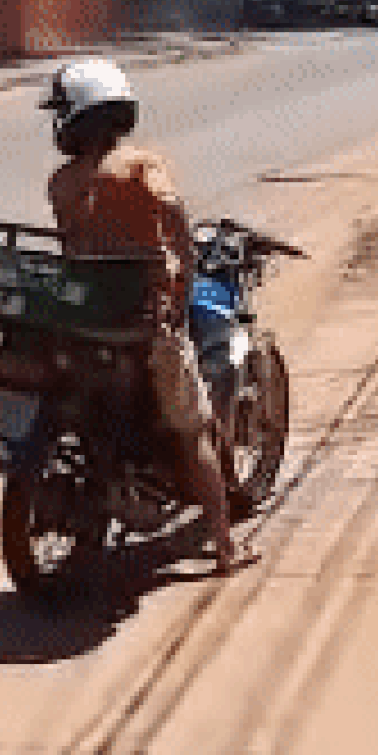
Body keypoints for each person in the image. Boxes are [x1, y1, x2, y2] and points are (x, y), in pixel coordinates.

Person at [43, 57, 252, 578]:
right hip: (142, 324)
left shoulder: (61, 182)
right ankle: (225, 546)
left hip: (85, 321)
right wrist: (183, 271)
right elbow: (176, 219)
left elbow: (75, 243)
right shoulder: (140, 166)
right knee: (194, 429)